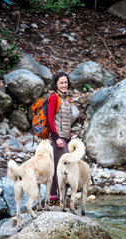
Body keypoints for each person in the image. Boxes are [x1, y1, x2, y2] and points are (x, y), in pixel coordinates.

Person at [47, 71, 71, 206]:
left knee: (63, 167)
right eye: (61, 82)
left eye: (65, 82)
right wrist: (57, 138)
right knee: (58, 167)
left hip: (64, 137)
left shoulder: (66, 98)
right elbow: (50, 121)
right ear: (56, 84)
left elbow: (66, 120)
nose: (64, 85)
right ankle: (53, 197)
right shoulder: (54, 98)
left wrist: (69, 137)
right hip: (56, 138)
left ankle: (59, 197)